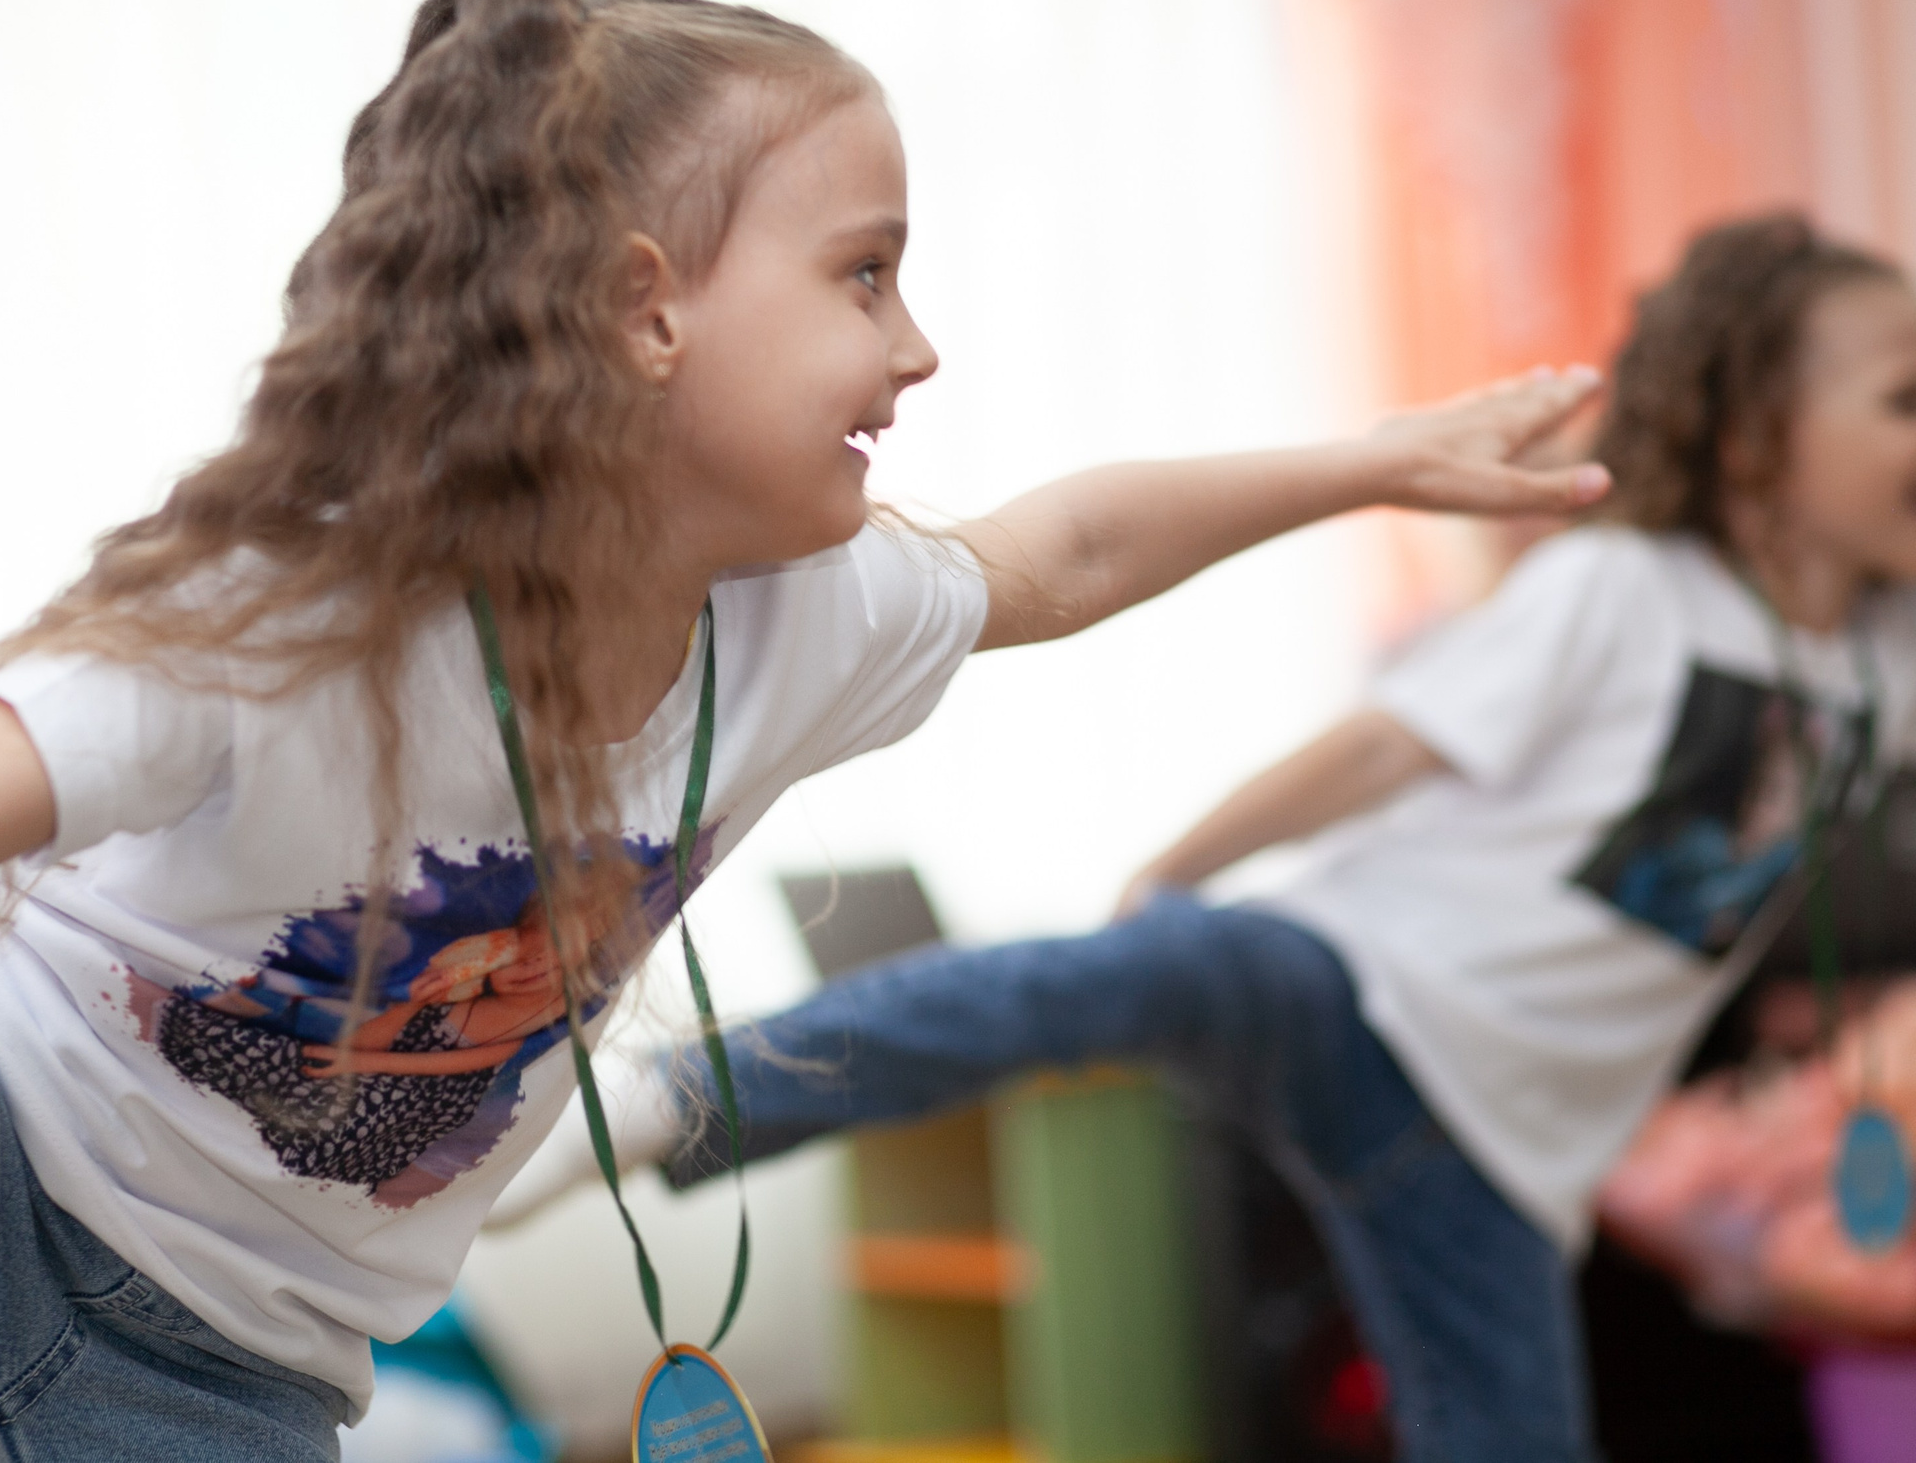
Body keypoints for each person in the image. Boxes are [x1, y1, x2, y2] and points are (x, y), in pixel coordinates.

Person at [0, 0, 1602, 1463]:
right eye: (861, 272)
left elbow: (1060, 554)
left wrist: (1386, 456)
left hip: (224, 1363)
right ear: (641, 310)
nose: (913, 351)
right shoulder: (307, 608)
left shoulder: (800, 621)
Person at [489, 212, 1916, 1463]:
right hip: (1363, 988)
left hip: (1503, 1152)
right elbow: (1380, 746)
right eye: (1903, 400)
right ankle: (677, 1094)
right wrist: (1177, 869)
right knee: (1064, 990)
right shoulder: (1627, 589)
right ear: (1755, 439)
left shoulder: (1883, 663)